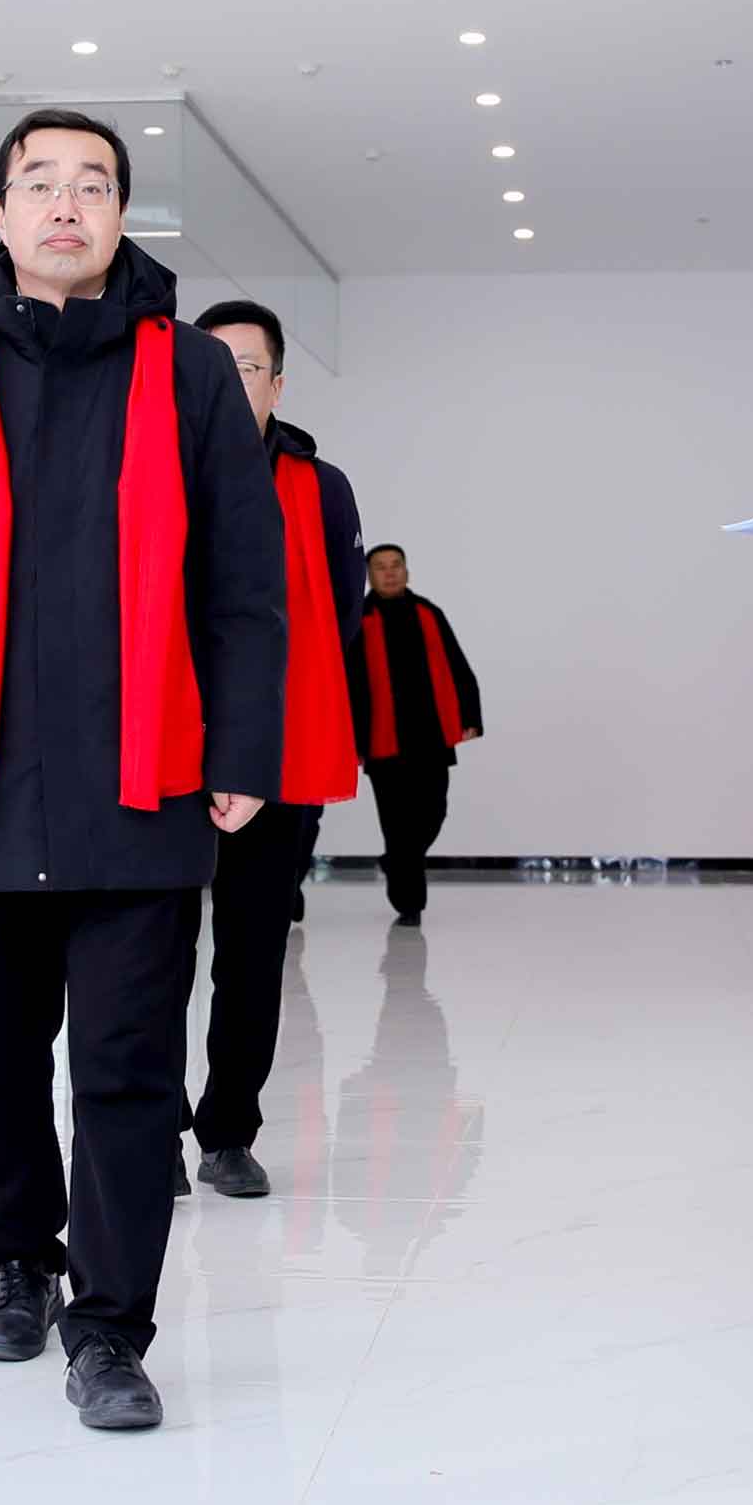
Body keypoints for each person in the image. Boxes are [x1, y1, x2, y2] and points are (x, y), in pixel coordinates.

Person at [0, 108, 285, 1435]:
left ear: (123, 214)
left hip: (144, 775)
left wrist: (242, 744)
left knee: (129, 1066)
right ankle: (21, 1262)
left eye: (95, 183)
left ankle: (112, 1328)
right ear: (1, 211)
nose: (68, 204)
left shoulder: (188, 370)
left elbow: (243, 577)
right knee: (2, 1058)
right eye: (41, 183)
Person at [179, 297, 365, 1203]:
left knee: (252, 956)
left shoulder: (319, 489)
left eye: (246, 368)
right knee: (147, 957)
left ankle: (228, 1132)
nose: (227, 382)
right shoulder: (146, 469)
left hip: (274, 756)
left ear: (277, 385)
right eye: (210, 365)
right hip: (161, 748)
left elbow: (339, 618)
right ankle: (145, 1130)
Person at [356, 544, 482, 925]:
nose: (390, 572)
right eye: (381, 567)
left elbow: (457, 665)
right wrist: (352, 739)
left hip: (430, 738)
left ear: (407, 572)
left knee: (433, 812)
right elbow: (348, 684)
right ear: (369, 576)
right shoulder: (358, 619)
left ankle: (397, 861)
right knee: (397, 824)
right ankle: (410, 904)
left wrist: (470, 716)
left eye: (396, 565)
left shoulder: (429, 613)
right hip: (382, 741)